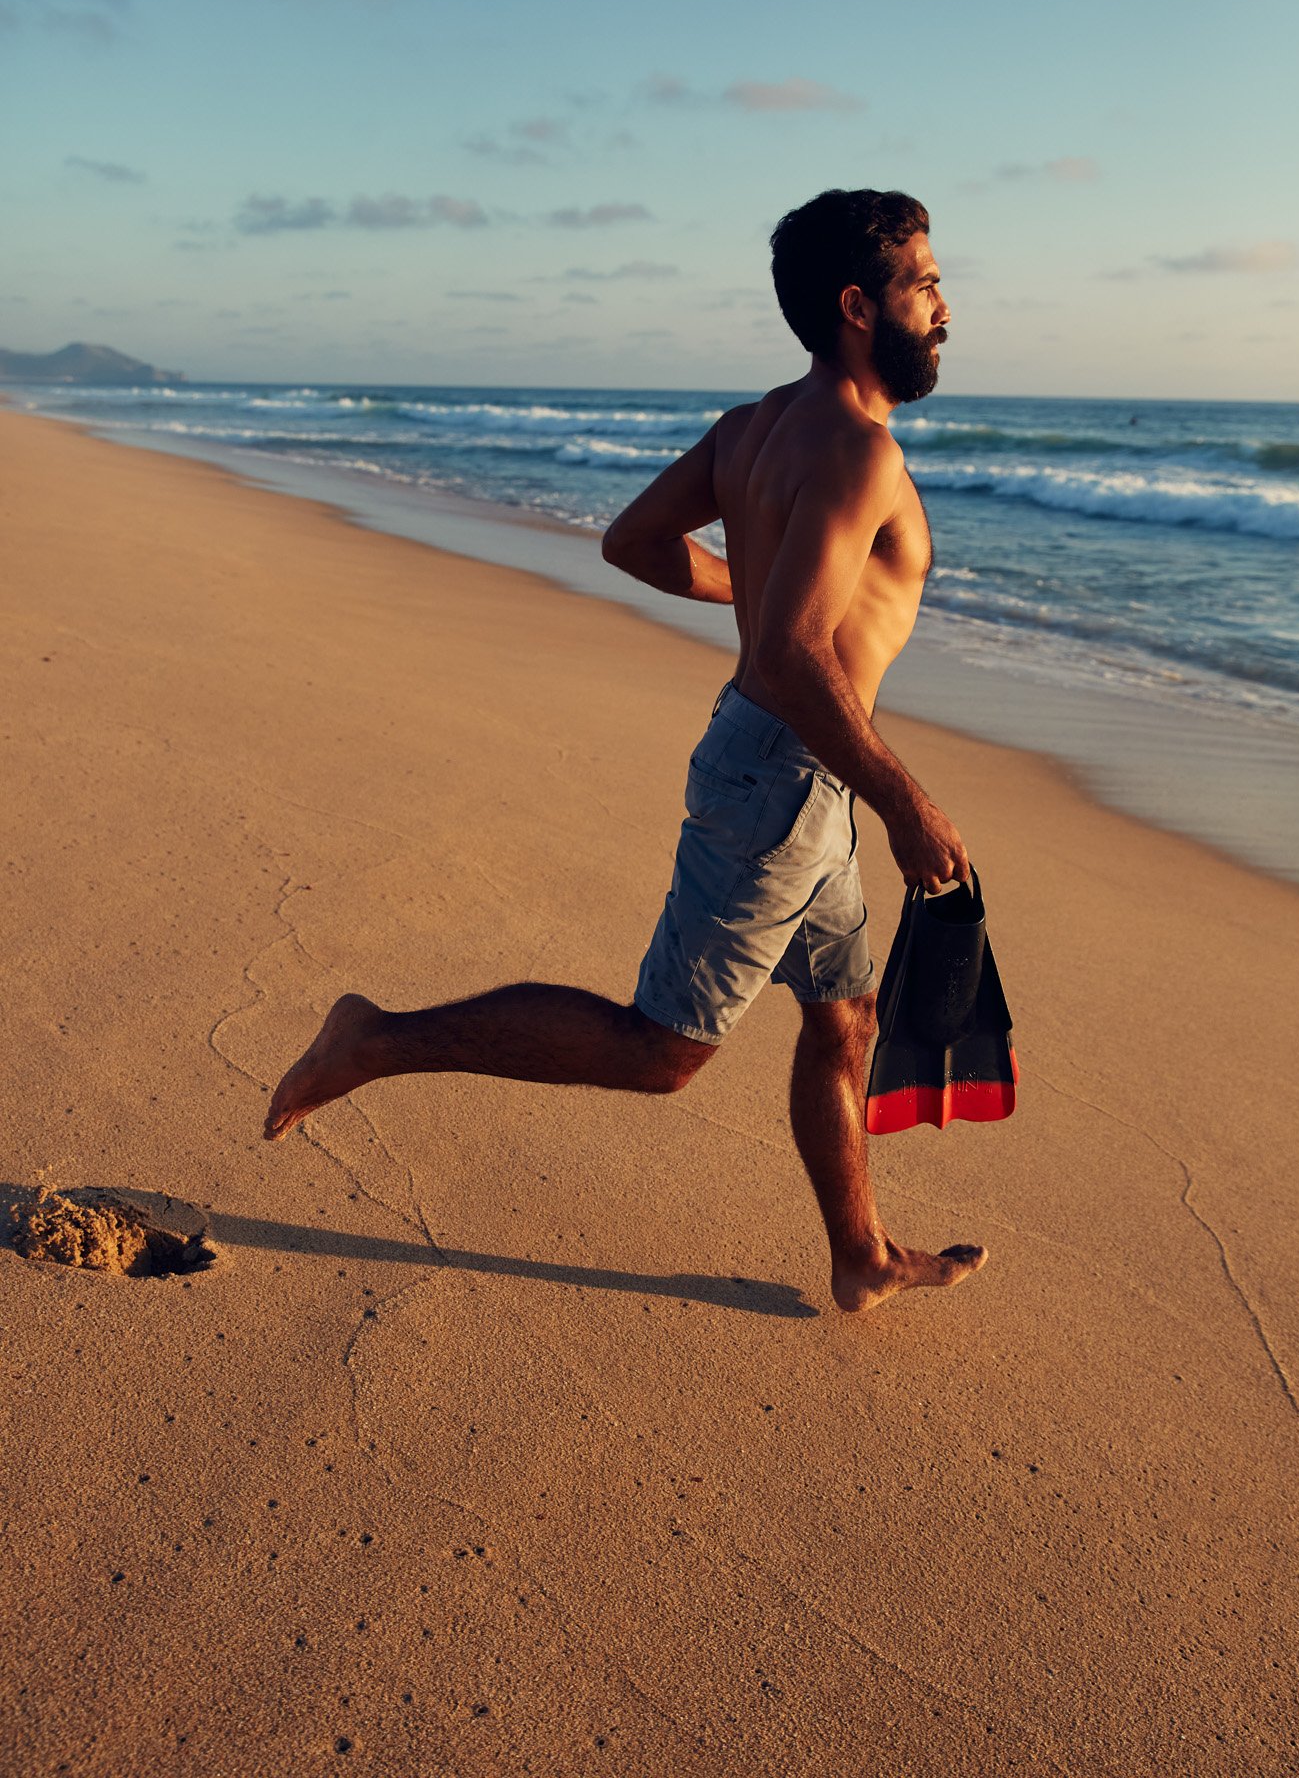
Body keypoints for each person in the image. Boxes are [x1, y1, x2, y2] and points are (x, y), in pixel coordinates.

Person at [265, 188, 985, 1313]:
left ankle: (860, 1249)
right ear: (858, 304)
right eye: (926, 282)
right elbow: (793, 658)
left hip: (802, 769)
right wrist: (907, 802)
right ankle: (374, 1038)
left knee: (844, 1011)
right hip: (790, 776)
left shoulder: (755, 427)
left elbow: (636, 541)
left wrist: (763, 596)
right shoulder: (858, 455)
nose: (945, 305)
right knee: (661, 1050)